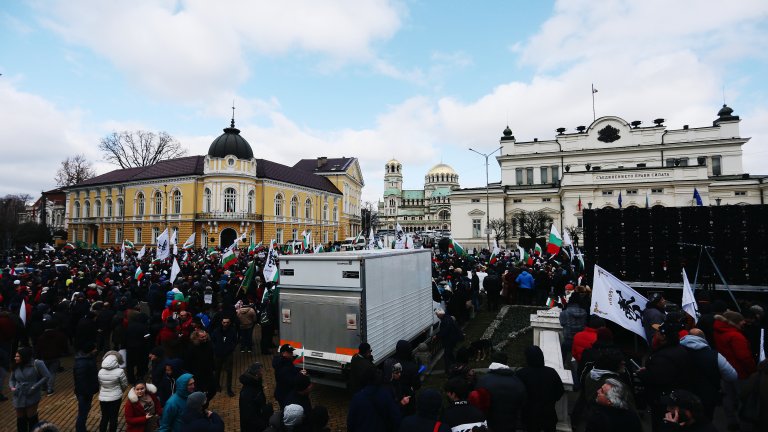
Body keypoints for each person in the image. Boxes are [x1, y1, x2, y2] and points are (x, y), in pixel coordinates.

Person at [679, 328, 737, 419]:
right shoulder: (715, 356)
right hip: (708, 397)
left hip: (682, 394)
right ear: (703, 338)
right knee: (706, 420)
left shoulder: (677, 352)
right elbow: (732, 376)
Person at [713, 310, 757, 431]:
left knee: (728, 397)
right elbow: (744, 357)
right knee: (744, 397)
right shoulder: (736, 336)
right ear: (735, 322)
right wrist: (753, 370)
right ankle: (746, 423)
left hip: (726, 371)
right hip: (741, 373)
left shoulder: (719, 332)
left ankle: (732, 421)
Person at [517, 345, 565, 432]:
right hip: (548, 414)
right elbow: (560, 391)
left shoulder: (521, 374)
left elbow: (518, 395)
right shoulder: (551, 372)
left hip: (529, 415)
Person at [475, 352, 526, 432]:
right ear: (506, 362)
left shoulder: (483, 381)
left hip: (490, 425)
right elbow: (522, 404)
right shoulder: (517, 381)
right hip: (512, 425)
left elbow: (479, 404)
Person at [9, 346, 51, 432]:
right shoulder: (16, 365)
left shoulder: (37, 363)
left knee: (31, 417)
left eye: (17, 356)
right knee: (20, 419)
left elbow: (47, 376)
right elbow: (11, 379)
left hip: (31, 393)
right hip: (18, 394)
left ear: (24, 357)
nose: (15, 358)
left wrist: (34, 387)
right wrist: (12, 387)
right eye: (15, 356)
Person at [98, 350, 129, 432]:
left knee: (104, 417)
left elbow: (101, 384)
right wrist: (120, 391)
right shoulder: (120, 371)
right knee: (113, 417)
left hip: (103, 398)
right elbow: (125, 384)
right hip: (116, 398)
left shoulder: (100, 372)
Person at [73, 341, 99, 432]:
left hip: (86, 392)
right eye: (94, 348)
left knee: (84, 412)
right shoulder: (83, 363)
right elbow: (81, 381)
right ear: (90, 350)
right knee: (82, 414)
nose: (96, 350)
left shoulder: (87, 359)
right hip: (84, 393)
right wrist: (87, 393)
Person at [238, 362, 272, 432]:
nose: (262, 374)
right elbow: (249, 416)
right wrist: (264, 425)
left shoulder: (255, 385)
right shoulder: (248, 392)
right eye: (261, 371)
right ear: (256, 375)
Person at [211, 317, 237, 397]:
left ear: (229, 323)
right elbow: (213, 340)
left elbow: (235, 340)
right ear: (221, 322)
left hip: (228, 354)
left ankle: (229, 389)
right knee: (217, 371)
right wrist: (216, 348)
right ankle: (217, 386)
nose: (225, 324)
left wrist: (231, 348)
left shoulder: (232, 331)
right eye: (224, 322)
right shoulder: (216, 331)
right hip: (218, 354)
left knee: (229, 371)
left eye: (227, 322)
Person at [273, 344, 305, 409]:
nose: (292, 353)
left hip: (283, 393)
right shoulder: (284, 366)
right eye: (290, 352)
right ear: (284, 353)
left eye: (291, 352)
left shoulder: (284, 361)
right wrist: (300, 375)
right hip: (284, 395)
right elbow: (291, 380)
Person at [434, 309, 463, 374]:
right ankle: (455, 364)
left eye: (437, 315)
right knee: (449, 353)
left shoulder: (445, 321)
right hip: (452, 339)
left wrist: (437, 336)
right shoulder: (448, 318)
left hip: (449, 340)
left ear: (441, 314)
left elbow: (444, 332)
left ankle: (448, 370)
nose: (437, 316)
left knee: (447, 355)